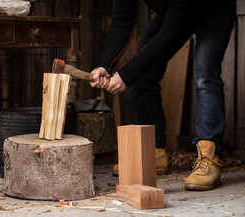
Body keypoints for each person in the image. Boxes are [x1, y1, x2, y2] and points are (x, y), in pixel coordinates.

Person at [90, 0, 236, 191]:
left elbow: (169, 33)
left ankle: (210, 158)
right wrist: (105, 65)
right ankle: (155, 152)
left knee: (205, 75)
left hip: (214, 8)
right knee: (144, 74)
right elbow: (123, 19)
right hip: (175, 13)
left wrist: (126, 75)